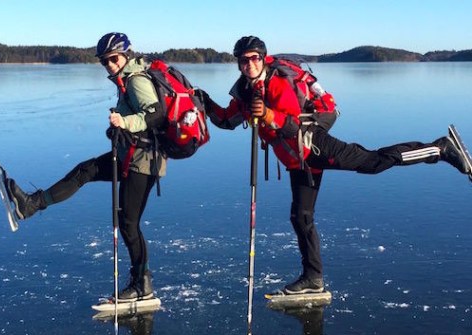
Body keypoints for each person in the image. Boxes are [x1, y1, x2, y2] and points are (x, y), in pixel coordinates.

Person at [199, 36, 471, 295]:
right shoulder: (246, 92)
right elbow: (226, 120)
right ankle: (313, 278)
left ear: (263, 57)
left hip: (314, 145)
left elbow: (292, 124)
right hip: (297, 160)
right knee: (301, 217)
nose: (249, 64)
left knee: (372, 163)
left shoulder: (278, 83)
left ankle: (439, 149)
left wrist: (268, 114)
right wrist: (205, 103)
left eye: (254, 58)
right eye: (243, 60)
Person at [3, 32, 166, 300]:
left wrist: (125, 124)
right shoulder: (126, 79)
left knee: (128, 223)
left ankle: (142, 284)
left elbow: (155, 114)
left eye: (114, 59)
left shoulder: (136, 80)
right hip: (131, 153)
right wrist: (118, 129)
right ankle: (31, 204)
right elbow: (136, 119)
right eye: (105, 61)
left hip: (144, 161)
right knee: (85, 170)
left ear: (126, 54)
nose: (110, 65)